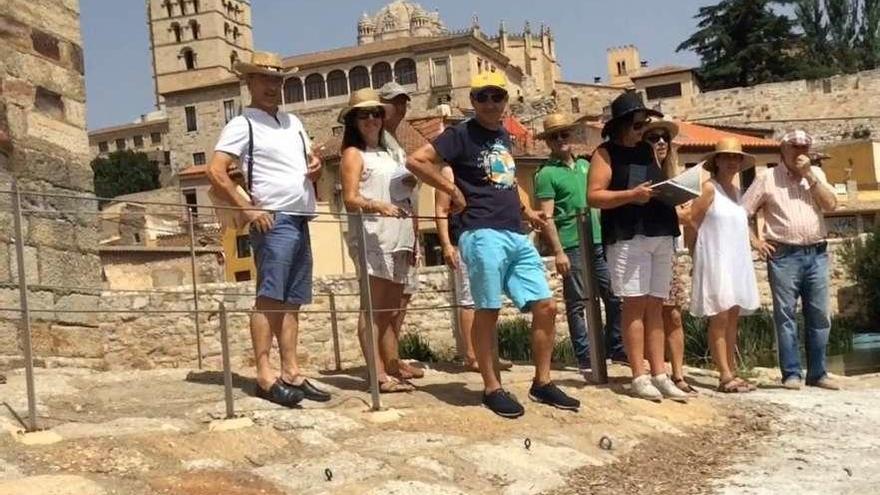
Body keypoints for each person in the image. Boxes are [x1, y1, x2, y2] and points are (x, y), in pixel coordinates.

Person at [407, 72, 580, 418]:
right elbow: (416, 160)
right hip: (481, 231)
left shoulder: (503, 134)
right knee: (488, 309)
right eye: (483, 97)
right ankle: (491, 387)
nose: (490, 103)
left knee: (545, 306)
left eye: (496, 97)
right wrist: (452, 190)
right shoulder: (460, 134)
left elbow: (507, 180)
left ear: (505, 100)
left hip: (514, 231)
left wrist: (527, 209)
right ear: (473, 101)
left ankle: (542, 382)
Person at [207, 51, 330, 407]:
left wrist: (317, 167)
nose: (273, 86)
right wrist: (248, 208)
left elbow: (309, 164)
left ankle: (291, 370)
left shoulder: (293, 123)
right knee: (269, 296)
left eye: (277, 79)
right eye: (265, 79)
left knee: (292, 300)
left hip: (300, 215)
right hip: (273, 218)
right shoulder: (241, 124)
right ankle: (264, 373)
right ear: (250, 83)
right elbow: (216, 171)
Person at [587, 92, 689, 402]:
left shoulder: (647, 151)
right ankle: (638, 375)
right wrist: (630, 195)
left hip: (659, 231)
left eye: (645, 123)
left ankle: (660, 373)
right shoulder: (604, 153)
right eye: (637, 123)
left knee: (655, 305)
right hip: (628, 235)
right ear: (620, 124)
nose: (642, 129)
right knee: (633, 305)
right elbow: (594, 196)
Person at [742, 130, 840, 390]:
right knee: (785, 316)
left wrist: (810, 175)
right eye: (795, 147)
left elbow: (831, 205)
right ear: (783, 150)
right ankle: (791, 374)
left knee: (819, 315)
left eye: (804, 147)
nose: (800, 151)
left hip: (816, 252)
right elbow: (742, 212)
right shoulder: (767, 178)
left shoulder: (816, 174)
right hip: (784, 254)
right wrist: (756, 241)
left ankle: (818, 373)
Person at [533, 113, 625, 379]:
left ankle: (613, 348)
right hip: (572, 244)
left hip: (598, 240)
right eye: (554, 136)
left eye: (564, 134)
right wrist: (558, 251)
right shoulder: (546, 174)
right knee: (578, 303)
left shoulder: (586, 166)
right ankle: (585, 356)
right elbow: (547, 216)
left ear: (571, 136)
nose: (561, 140)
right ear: (548, 142)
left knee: (614, 296)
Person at [340, 88, 417, 393]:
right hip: (373, 234)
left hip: (399, 235)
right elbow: (350, 199)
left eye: (376, 113)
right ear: (354, 121)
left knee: (390, 309)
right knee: (372, 308)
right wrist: (378, 205)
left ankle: (388, 366)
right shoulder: (352, 154)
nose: (371, 119)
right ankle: (377, 375)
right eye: (364, 114)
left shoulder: (388, 152)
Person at [688, 138, 761, 393]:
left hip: (736, 259)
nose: (732, 161)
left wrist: (755, 242)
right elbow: (692, 221)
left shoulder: (737, 193)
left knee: (732, 316)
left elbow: (739, 225)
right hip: (715, 257)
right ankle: (724, 375)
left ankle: (731, 369)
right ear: (716, 161)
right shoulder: (709, 189)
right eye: (727, 157)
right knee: (719, 315)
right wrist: (694, 255)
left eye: (736, 157)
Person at [641, 119, 698, 395]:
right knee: (648, 314)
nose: (661, 142)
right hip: (645, 249)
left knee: (673, 315)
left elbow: (687, 215)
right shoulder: (639, 177)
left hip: (670, 250)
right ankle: (654, 371)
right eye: (653, 138)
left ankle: (677, 374)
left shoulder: (676, 179)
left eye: (664, 138)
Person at [376, 81, 425, 380]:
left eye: (404, 102)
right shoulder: (376, 140)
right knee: (386, 300)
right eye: (395, 102)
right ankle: (386, 362)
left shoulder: (396, 142)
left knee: (403, 296)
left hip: (406, 225)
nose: (401, 107)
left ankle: (393, 358)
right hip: (386, 227)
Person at [435, 165, 479, 371]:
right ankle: (471, 354)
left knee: (486, 298)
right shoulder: (448, 171)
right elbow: (441, 209)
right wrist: (446, 244)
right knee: (468, 297)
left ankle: (486, 352)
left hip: (483, 238)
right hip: (461, 239)